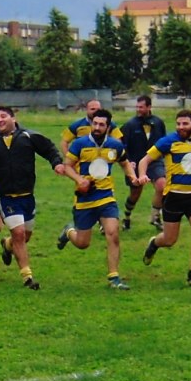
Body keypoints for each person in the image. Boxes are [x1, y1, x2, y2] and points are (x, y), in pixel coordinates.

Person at [0, 104, 65, 290]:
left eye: (3, 116)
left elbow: (49, 149)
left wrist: (56, 163)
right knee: (19, 234)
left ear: (13, 118)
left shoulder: (28, 136)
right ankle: (27, 277)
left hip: (27, 196)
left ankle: (7, 245)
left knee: (26, 235)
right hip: (5, 197)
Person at [54, 108, 134, 289]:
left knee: (113, 233)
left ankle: (114, 278)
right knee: (83, 243)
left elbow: (124, 162)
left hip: (106, 196)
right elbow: (67, 166)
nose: (97, 127)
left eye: (101, 125)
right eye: (95, 123)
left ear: (108, 127)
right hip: (85, 198)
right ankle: (69, 231)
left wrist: (133, 176)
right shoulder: (79, 144)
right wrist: (79, 179)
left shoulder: (115, 145)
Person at [140, 108, 191, 287]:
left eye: (185, 124)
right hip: (173, 197)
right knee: (170, 239)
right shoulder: (168, 142)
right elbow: (145, 160)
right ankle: (155, 243)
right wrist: (142, 174)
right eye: (178, 124)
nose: (181, 127)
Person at [118, 94, 169, 231]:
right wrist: (128, 161)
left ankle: (155, 217)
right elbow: (121, 145)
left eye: (141, 107)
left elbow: (164, 143)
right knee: (135, 193)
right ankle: (127, 216)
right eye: (137, 107)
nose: (138, 109)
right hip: (135, 162)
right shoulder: (129, 125)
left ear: (149, 107)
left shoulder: (158, 123)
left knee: (162, 186)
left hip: (154, 161)